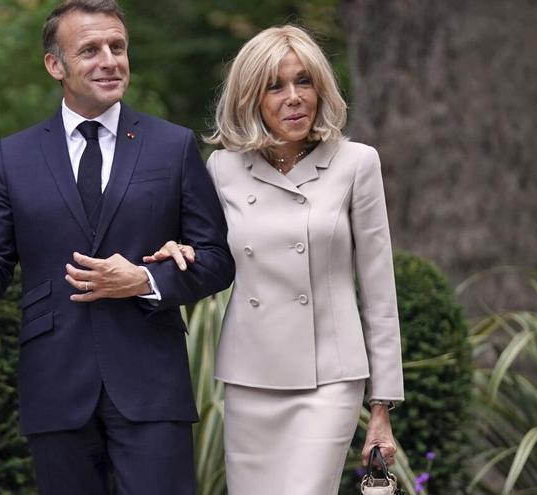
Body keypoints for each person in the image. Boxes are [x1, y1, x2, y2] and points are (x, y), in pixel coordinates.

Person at [0, 1, 235, 493]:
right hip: (56, 382)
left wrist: (146, 280)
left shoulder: (172, 146)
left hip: (151, 381)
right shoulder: (13, 156)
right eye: (90, 50)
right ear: (56, 65)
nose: (110, 60)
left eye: (118, 47)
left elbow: (217, 260)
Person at [145, 25, 404, 494]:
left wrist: (382, 406)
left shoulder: (357, 163)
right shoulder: (222, 168)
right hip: (251, 377)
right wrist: (179, 249)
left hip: (329, 377)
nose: (294, 97)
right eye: (275, 86)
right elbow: (211, 254)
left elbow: (379, 291)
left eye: (304, 82)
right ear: (251, 98)